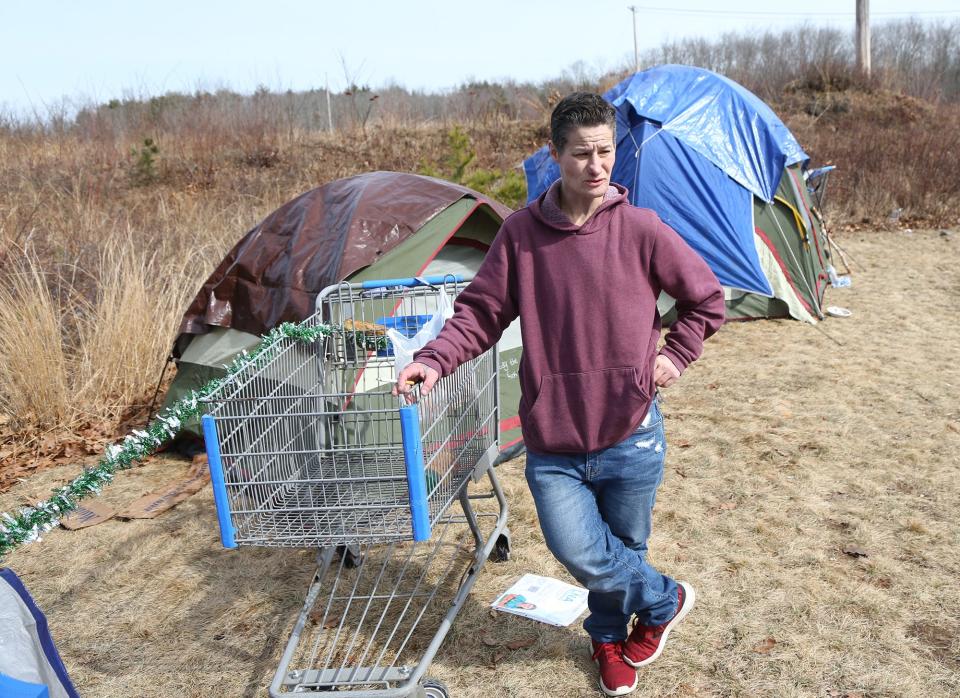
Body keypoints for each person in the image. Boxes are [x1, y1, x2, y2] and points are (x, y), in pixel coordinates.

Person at [393, 92, 724, 696]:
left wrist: (675, 354)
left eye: (606, 152)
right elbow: (480, 313)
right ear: (554, 155)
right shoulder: (521, 236)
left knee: (623, 548)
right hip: (555, 439)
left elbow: (706, 299)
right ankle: (664, 599)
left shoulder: (642, 229)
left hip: (631, 429)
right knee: (582, 552)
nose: (597, 167)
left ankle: (607, 641)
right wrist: (433, 360)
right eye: (581, 154)